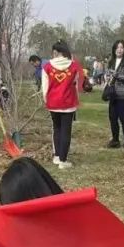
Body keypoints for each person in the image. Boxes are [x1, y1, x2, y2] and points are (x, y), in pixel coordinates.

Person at [41, 40, 83, 170]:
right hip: (68, 102)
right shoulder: (74, 66)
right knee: (66, 131)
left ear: (55, 52)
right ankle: (63, 161)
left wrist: (46, 100)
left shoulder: (47, 67)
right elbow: (76, 84)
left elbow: (44, 87)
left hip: (53, 102)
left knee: (57, 129)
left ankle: (57, 156)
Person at [101, 39, 124, 149]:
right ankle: (115, 140)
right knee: (112, 118)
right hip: (113, 94)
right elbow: (107, 73)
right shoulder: (111, 61)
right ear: (114, 49)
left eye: (121, 47)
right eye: (117, 47)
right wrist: (107, 77)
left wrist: (117, 75)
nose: (119, 50)